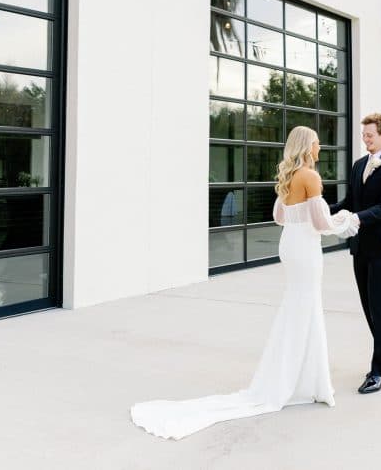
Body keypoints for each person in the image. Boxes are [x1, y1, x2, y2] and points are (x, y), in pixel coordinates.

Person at [131, 126, 358, 439]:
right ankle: (305, 380)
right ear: (307, 146)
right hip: (306, 250)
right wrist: (345, 219)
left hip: (289, 246)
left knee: (298, 305)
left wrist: (311, 217)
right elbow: (321, 224)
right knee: (306, 306)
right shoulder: (311, 176)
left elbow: (280, 217)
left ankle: (298, 377)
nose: (320, 149)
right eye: (318, 144)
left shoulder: (289, 177)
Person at [331, 113, 381, 394]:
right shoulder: (358, 165)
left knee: (379, 307)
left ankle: (379, 372)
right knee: (367, 306)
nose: (365, 140)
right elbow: (349, 202)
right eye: (363, 135)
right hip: (360, 246)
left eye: (370, 136)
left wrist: (356, 219)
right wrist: (321, 211)